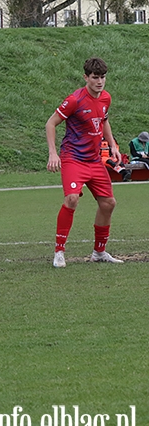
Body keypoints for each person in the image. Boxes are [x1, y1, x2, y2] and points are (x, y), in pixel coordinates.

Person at [46, 57, 123, 268]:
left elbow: (104, 120)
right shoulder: (74, 100)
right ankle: (59, 252)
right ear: (86, 78)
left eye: (103, 77)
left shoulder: (106, 98)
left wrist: (113, 146)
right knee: (71, 199)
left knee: (109, 203)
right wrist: (53, 154)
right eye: (95, 77)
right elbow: (51, 123)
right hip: (73, 158)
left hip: (94, 160)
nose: (99, 82)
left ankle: (99, 252)